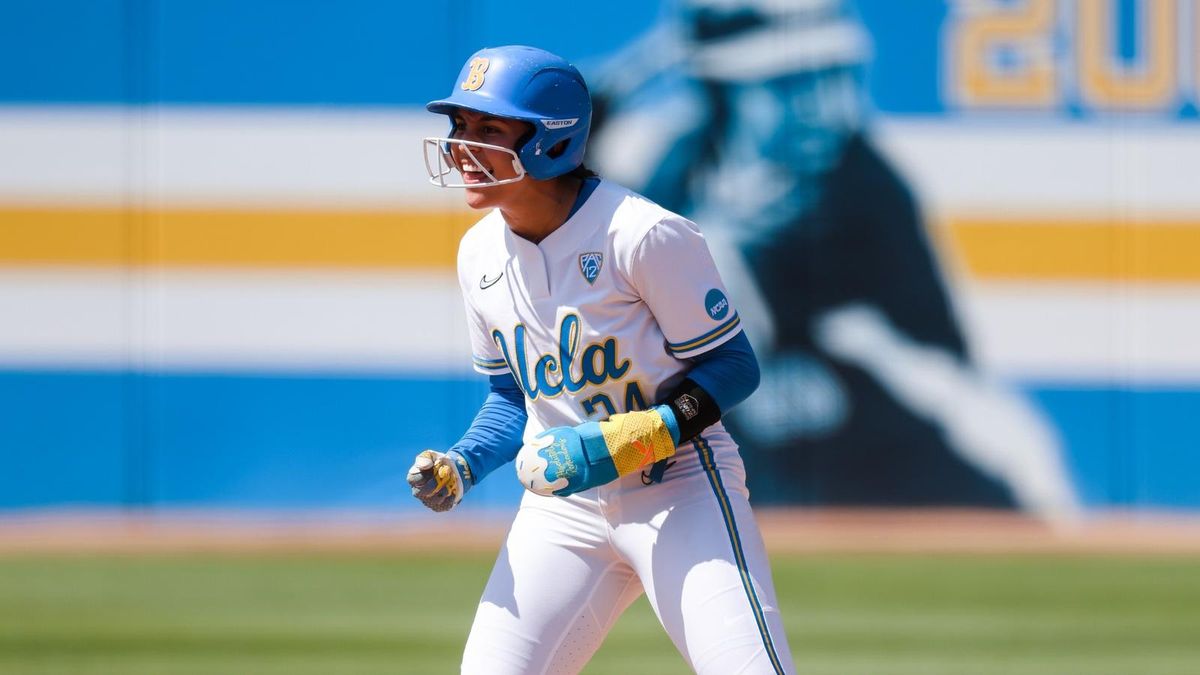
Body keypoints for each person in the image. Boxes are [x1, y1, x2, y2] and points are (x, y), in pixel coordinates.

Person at [588, 0, 1080, 519]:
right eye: (788, 85)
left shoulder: (860, 186)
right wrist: (663, 54)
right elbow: (582, 178)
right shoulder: (685, 166)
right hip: (727, 459)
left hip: (880, 473)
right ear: (723, 93)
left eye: (836, 78)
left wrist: (832, 364)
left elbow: (939, 376)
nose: (823, 109)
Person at [406, 45, 796, 674]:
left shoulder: (641, 234)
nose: (462, 146)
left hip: (681, 490)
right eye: (459, 126)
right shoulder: (477, 253)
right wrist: (465, 461)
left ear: (550, 142)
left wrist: (637, 435)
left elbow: (733, 367)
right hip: (562, 510)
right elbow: (512, 399)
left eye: (489, 129)